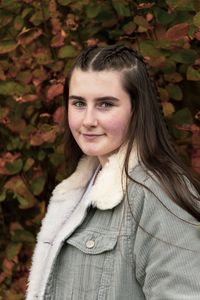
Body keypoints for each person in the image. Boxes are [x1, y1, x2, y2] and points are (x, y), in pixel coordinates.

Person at [26, 45, 200, 300]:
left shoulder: (158, 193)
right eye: (78, 103)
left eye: (105, 104)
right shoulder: (79, 189)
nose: (88, 120)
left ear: (137, 109)